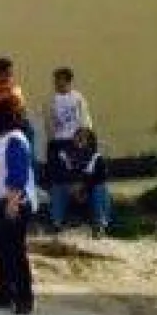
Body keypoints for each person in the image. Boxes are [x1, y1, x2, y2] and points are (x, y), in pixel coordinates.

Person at [0, 97, 37, 315]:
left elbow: (17, 173)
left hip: (11, 203)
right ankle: (4, 292)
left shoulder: (15, 139)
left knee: (15, 252)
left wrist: (12, 203)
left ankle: (23, 298)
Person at [43, 67, 94, 230]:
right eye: (55, 80)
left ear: (68, 81)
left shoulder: (78, 99)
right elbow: (49, 125)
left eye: (60, 80)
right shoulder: (51, 100)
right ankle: (56, 219)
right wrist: (52, 144)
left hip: (75, 143)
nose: (57, 83)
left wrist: (82, 142)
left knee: (79, 181)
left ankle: (86, 216)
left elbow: (85, 122)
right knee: (58, 182)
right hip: (59, 143)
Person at [51, 126, 112, 237]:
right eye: (77, 136)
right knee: (57, 188)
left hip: (87, 189)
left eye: (83, 138)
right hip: (69, 187)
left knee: (100, 189)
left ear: (89, 141)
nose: (78, 140)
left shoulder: (96, 157)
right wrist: (72, 186)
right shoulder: (64, 155)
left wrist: (84, 188)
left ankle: (100, 225)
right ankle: (56, 224)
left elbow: (100, 177)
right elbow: (57, 173)